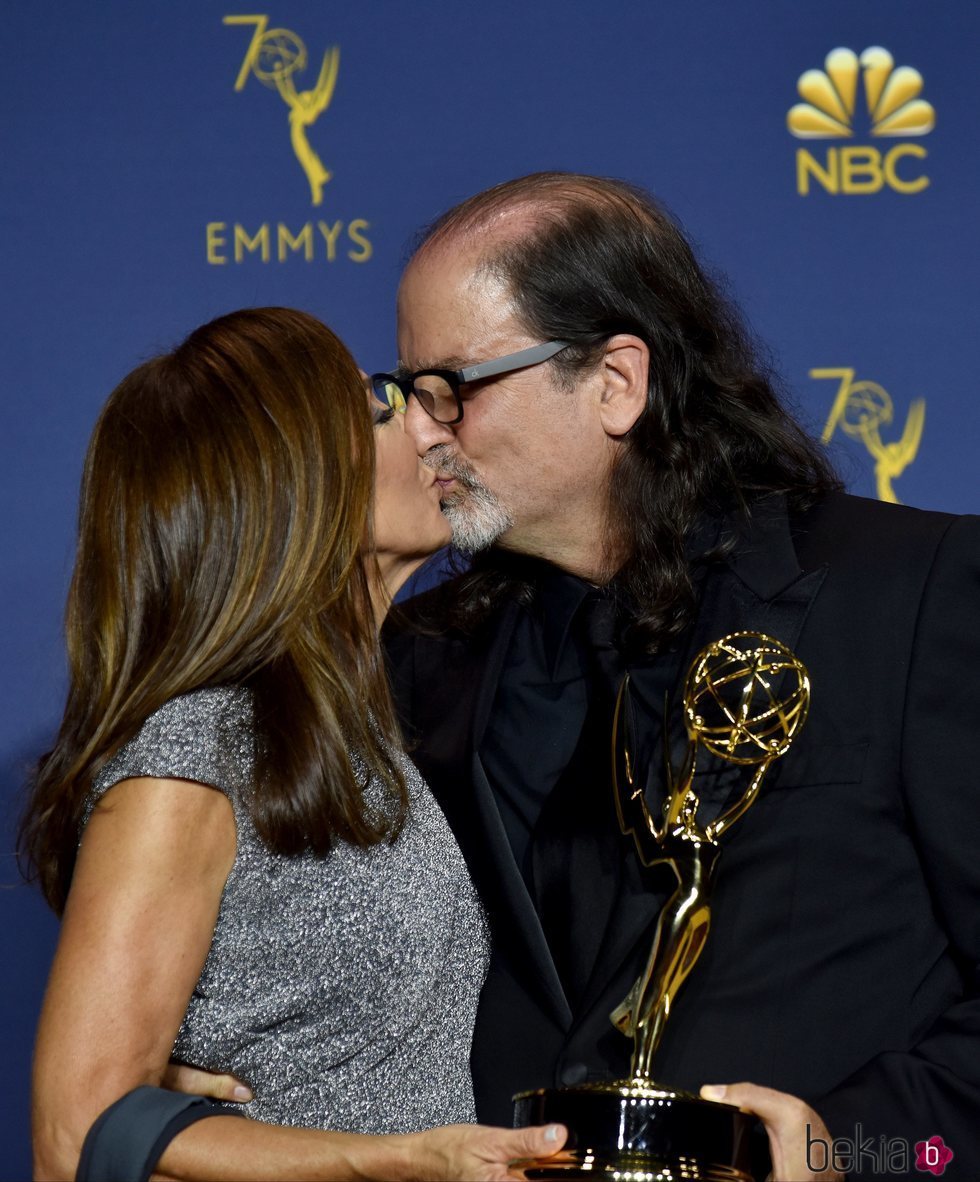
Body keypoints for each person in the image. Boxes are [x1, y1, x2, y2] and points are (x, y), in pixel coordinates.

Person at [372, 174, 980, 1180]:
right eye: (408, 393)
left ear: (615, 380)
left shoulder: (909, 598)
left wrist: (851, 1152)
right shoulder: (415, 662)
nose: (424, 431)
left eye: (454, 391)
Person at [20, 307, 565, 1181]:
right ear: (296, 479)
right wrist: (399, 1162)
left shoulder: (366, 735)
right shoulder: (196, 749)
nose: (434, 426)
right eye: (386, 406)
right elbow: (76, 1135)